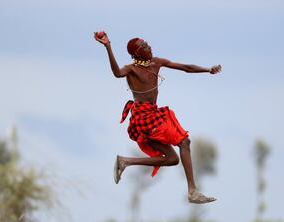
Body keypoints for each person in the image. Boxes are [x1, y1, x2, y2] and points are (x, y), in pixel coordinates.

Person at [94, 31, 222, 204]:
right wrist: (108, 46)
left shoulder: (156, 63)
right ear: (137, 53)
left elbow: (186, 68)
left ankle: (125, 161)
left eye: (147, 44)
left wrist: (208, 70)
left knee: (172, 159)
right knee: (184, 141)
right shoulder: (131, 69)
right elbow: (117, 73)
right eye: (144, 46)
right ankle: (192, 191)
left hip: (153, 114)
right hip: (142, 118)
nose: (149, 47)